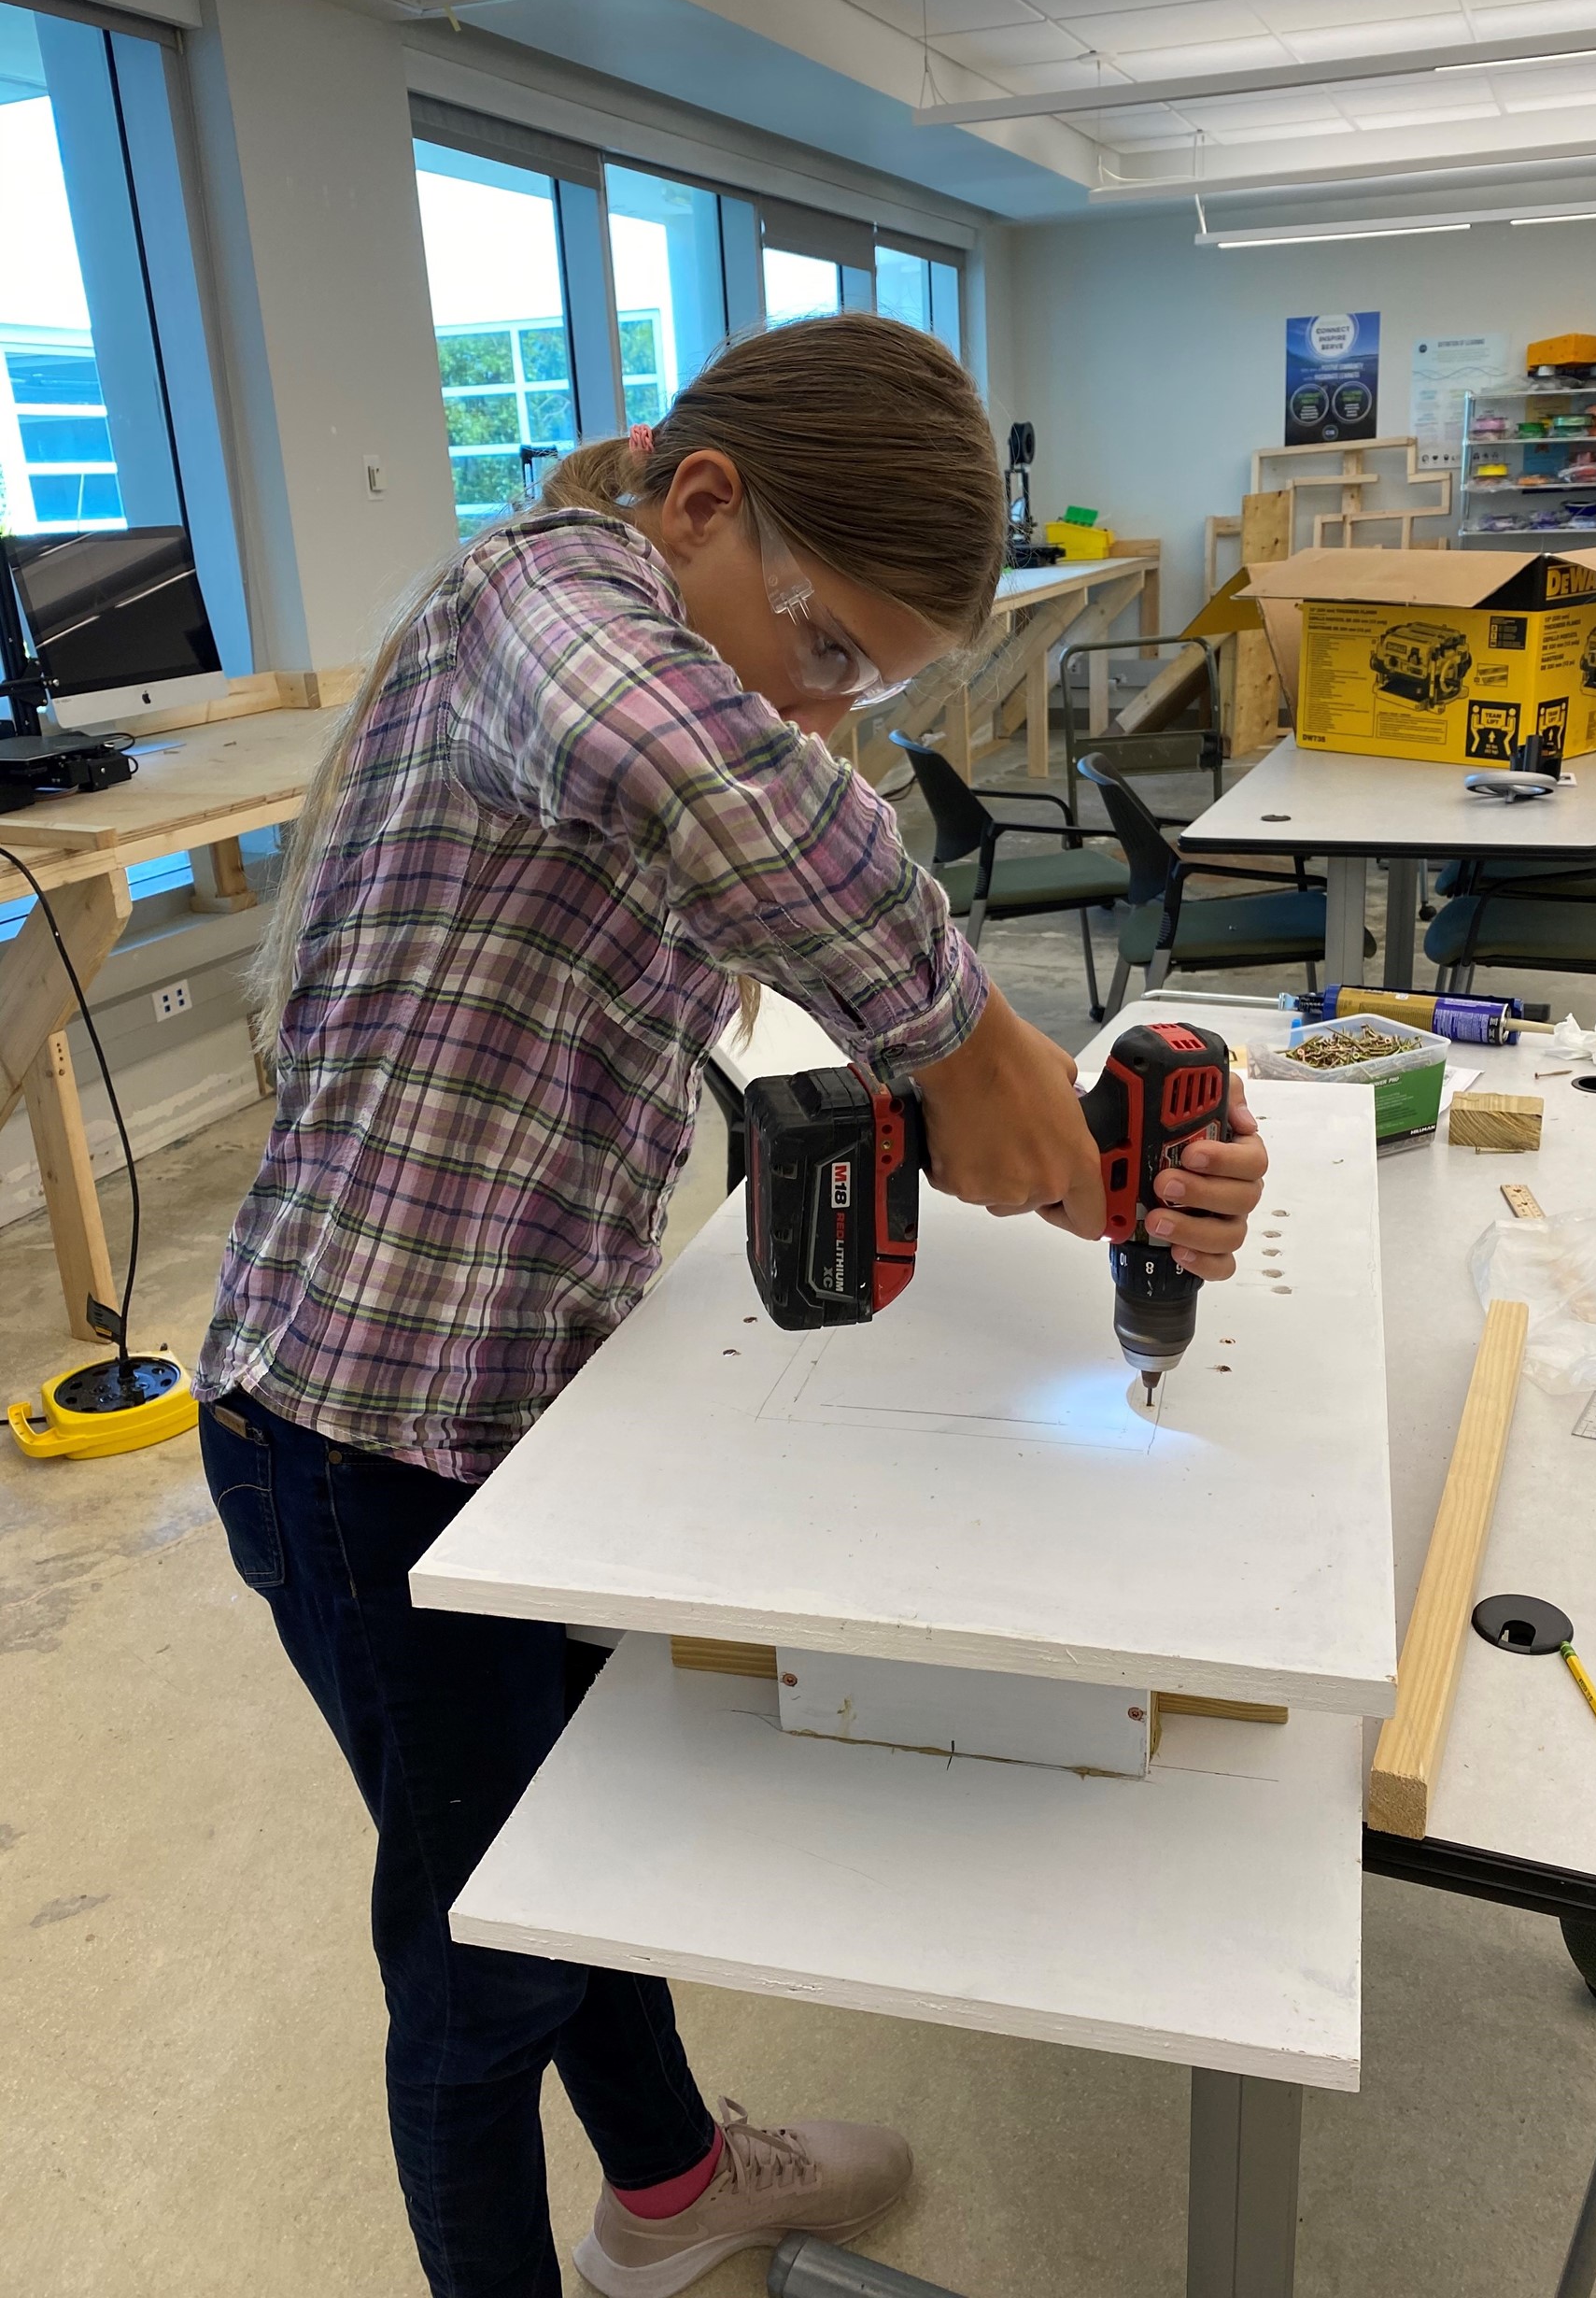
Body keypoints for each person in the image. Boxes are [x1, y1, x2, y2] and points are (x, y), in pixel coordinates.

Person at [194, 315, 1268, 2298]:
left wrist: (1101, 1151)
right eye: (835, 650)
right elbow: (696, 768)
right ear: (699, 503)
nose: (838, 714)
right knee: (481, 1943)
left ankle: (672, 2189)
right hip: (347, 1425)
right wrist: (966, 1029)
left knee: (586, 1838)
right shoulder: (540, 604)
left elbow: (806, 931)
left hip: (531, 1410)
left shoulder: (701, 674)